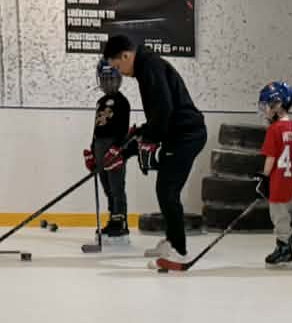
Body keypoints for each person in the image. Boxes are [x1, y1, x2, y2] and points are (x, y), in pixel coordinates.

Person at [103, 34, 207, 268]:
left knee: (168, 190)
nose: (120, 72)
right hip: (177, 133)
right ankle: (171, 240)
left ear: (127, 55)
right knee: (165, 189)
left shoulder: (149, 66)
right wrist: (126, 146)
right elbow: (158, 117)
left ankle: (179, 251)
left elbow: (164, 109)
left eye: (119, 66)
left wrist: (147, 138)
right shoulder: (145, 67)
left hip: (186, 135)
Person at [85, 58, 134, 253]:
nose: (108, 83)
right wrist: (91, 151)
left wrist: (117, 148)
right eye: (105, 79)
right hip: (100, 147)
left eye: (112, 79)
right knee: (106, 187)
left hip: (114, 149)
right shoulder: (100, 102)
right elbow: (97, 128)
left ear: (119, 79)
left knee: (116, 186)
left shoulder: (123, 102)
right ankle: (112, 217)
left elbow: (124, 128)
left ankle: (120, 222)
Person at [257, 81, 292, 267]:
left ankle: (284, 249)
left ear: (277, 105)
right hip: (289, 178)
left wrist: (264, 177)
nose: (266, 110)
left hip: (277, 179)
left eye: (267, 105)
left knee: (278, 215)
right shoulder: (291, 127)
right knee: (282, 212)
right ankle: (283, 247)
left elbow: (271, 156)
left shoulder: (274, 129)